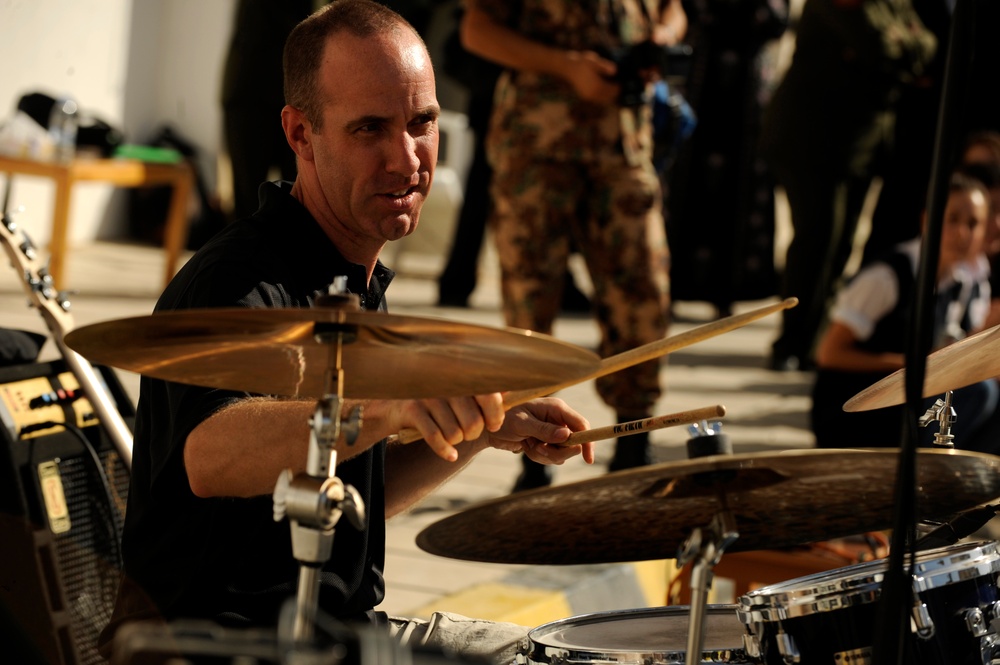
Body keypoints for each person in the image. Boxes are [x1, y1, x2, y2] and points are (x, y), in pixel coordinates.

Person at [98, 3, 595, 663]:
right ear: (301, 134)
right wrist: (387, 407)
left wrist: (480, 430)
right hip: (221, 647)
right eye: (370, 129)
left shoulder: (353, 276)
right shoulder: (237, 284)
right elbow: (207, 453)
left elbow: (347, 495)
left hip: (343, 630)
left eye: (423, 123)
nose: (406, 157)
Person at [461, 0, 685, 491]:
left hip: (622, 146)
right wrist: (567, 66)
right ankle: (532, 454)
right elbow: (477, 29)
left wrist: (660, 42)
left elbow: (674, 11)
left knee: (643, 292)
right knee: (529, 302)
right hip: (538, 147)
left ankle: (634, 443)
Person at [761, 0, 936, 372]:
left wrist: (904, 49)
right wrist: (903, 50)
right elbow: (880, 46)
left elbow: (927, 47)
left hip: (859, 144)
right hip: (814, 140)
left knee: (840, 245)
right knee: (817, 239)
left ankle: (816, 339)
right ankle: (792, 341)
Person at [810, 171, 996, 451]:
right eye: (952, 220)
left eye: (973, 223)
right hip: (857, 411)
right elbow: (829, 353)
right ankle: (927, 477)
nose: (962, 233)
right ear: (926, 220)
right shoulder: (888, 276)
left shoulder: (970, 281)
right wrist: (913, 365)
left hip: (913, 402)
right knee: (979, 393)